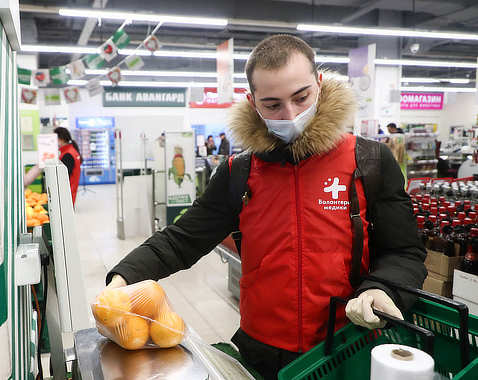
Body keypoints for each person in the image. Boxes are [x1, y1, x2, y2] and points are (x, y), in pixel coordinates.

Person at [105, 35, 426, 380]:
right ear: (252, 101)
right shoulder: (238, 173)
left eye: (301, 97)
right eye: (273, 104)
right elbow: (181, 239)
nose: (290, 114)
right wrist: (121, 279)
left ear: (319, 84)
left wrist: (381, 288)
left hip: (348, 345)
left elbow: (405, 252)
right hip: (262, 352)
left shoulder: (370, 161)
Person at [54, 127, 82, 205]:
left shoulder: (68, 154)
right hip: (71, 191)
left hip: (66, 192)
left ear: (61, 139)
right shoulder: (71, 150)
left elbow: (63, 176)